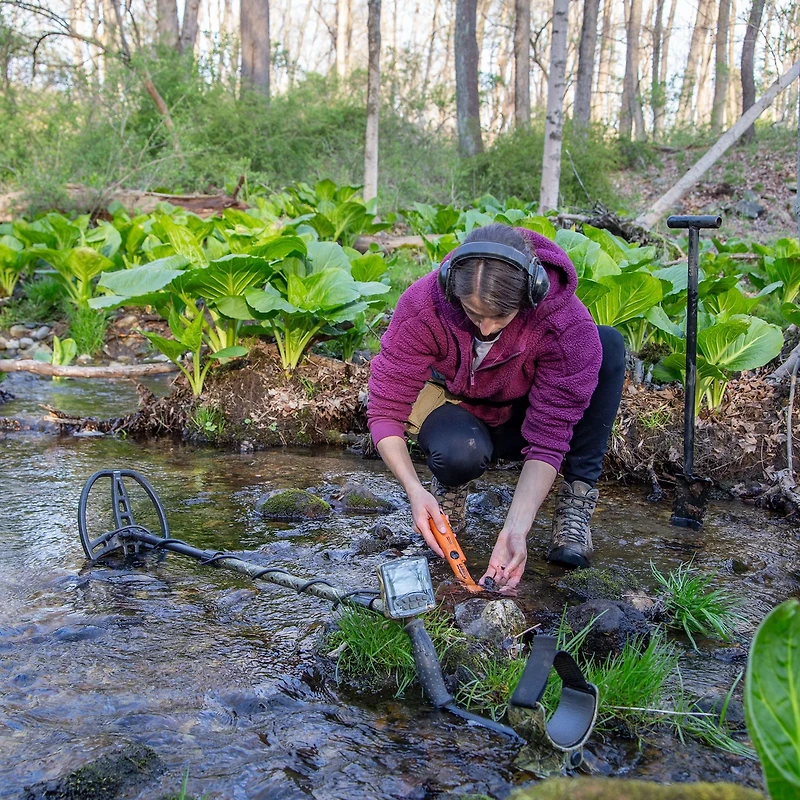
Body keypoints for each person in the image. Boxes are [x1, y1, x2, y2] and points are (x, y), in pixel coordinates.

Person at [367, 223, 625, 589]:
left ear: (530, 296)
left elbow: (549, 438)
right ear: (450, 288)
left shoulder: (565, 324)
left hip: (524, 415)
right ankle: (449, 487)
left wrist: (514, 528)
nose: (486, 329)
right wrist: (414, 490)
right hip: (466, 410)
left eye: (499, 318)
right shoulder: (424, 304)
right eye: (474, 315)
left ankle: (576, 500)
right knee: (459, 452)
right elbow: (385, 409)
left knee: (607, 345)